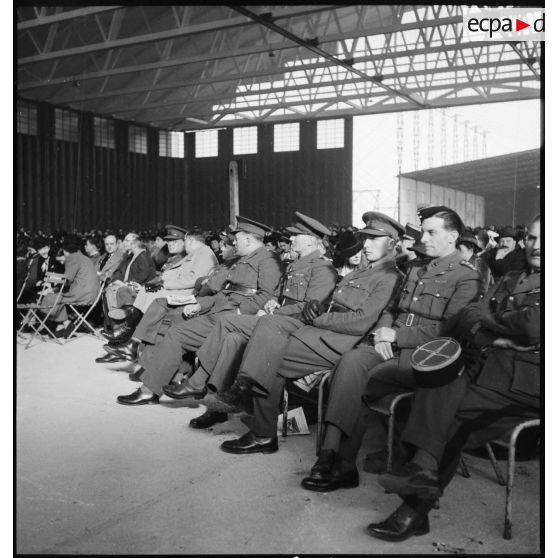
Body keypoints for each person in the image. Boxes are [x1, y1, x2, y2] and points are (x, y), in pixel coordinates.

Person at [368, 215, 541, 542]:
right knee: (434, 382)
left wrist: (492, 322)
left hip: (526, 383)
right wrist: (497, 332)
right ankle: (421, 475)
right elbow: (467, 317)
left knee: (449, 418)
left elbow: (534, 325)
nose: (539, 246)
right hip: (489, 366)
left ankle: (414, 507)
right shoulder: (511, 277)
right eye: (532, 238)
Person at [299, 206, 482, 492]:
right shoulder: (416, 267)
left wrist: (396, 336)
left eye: (432, 232)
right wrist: (382, 334)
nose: (424, 237)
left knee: (359, 380)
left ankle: (344, 463)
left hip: (425, 356)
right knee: (352, 361)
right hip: (388, 346)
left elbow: (448, 331)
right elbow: (392, 309)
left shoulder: (465, 276)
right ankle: (331, 455)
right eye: (424, 231)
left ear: (453, 236)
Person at [210, 213, 405, 454]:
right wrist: (318, 307)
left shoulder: (390, 278)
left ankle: (259, 424)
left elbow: (359, 322)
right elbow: (335, 303)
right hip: (319, 333)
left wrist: (318, 317)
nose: (365, 245)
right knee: (269, 335)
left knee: (268, 354)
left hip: (339, 343)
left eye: (374, 240)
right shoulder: (359, 272)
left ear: (393, 244)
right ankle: (251, 406)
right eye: (366, 238)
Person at [164, 212, 338, 430]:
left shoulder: (323, 268)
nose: (291, 239)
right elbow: (278, 293)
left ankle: (198, 383)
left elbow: (309, 308)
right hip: (277, 320)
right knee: (233, 339)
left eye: (297, 235)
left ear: (312, 240)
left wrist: (275, 313)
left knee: (227, 322)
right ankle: (220, 407)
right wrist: (273, 303)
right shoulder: (296, 264)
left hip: (293, 325)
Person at [114, 216, 283, 406]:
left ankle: (152, 388)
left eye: (237, 238)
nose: (233, 242)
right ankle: (155, 383)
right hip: (218, 310)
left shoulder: (268, 261)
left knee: (176, 332)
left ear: (248, 240)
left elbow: (266, 296)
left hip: (234, 318)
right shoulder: (240, 259)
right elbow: (224, 292)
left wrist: (237, 314)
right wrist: (200, 305)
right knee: (174, 327)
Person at [100, 227, 218, 362]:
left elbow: (194, 280)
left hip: (187, 294)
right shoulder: (199, 252)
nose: (184, 246)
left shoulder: (204, 253)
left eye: (184, 242)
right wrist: (161, 281)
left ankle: (131, 341)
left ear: (189, 240)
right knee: (146, 291)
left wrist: (164, 284)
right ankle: (127, 333)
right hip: (180, 290)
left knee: (151, 295)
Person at [41, 234, 100, 337]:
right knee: (57, 297)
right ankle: (64, 324)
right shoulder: (82, 257)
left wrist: (53, 286)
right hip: (91, 294)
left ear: (64, 249)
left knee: (50, 297)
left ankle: (62, 324)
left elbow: (67, 280)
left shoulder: (72, 257)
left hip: (81, 294)